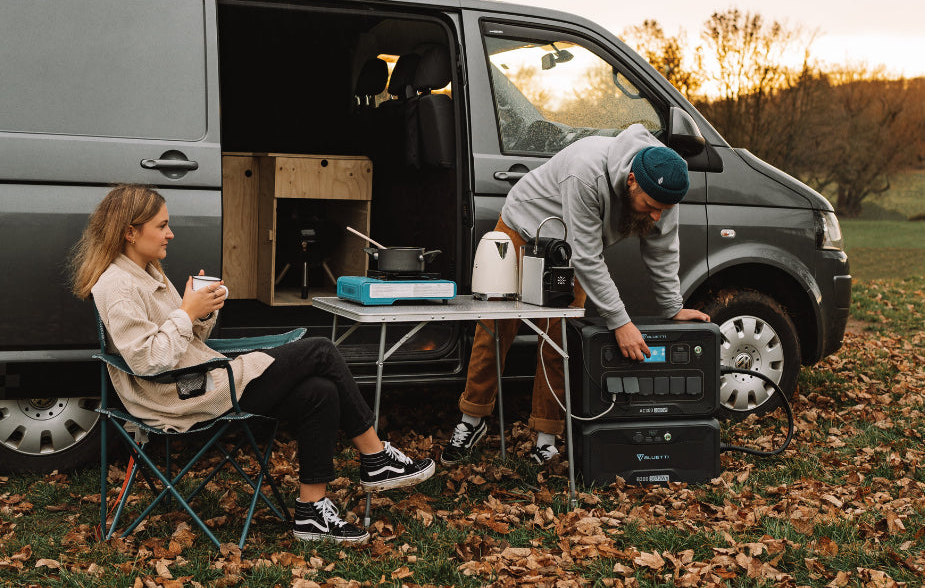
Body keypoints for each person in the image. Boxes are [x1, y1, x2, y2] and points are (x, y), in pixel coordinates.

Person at [70, 183, 434, 545]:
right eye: (161, 225)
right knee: (321, 351)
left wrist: (200, 311)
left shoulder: (149, 271)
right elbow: (149, 360)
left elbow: (186, 342)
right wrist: (185, 311)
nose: (171, 233)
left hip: (198, 378)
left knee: (318, 391)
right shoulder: (116, 287)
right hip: (177, 395)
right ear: (130, 232)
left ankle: (312, 512)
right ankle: (375, 455)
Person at [441, 123, 710, 466]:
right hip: (523, 226)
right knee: (494, 329)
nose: (657, 215)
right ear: (631, 181)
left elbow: (662, 250)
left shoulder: (664, 184)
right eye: (651, 205)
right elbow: (587, 256)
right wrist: (620, 322)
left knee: (559, 339)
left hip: (568, 248)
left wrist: (674, 307)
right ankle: (472, 420)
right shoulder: (586, 171)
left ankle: (545, 439)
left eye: (664, 209)